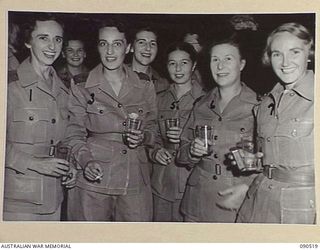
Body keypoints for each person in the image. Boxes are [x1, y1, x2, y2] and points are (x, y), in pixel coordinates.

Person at [65, 19, 157, 221]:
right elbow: (73, 132)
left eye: (117, 43)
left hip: (134, 179)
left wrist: (144, 137)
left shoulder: (144, 84)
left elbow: (154, 128)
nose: (110, 51)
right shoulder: (81, 85)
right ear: (97, 47)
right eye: (103, 43)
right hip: (93, 179)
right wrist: (85, 161)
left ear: (129, 47)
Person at [233, 23, 315, 224]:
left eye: (294, 52)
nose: (285, 62)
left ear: (309, 53)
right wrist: (251, 163)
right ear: (269, 58)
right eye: (277, 54)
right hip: (258, 202)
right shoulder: (265, 104)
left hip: (300, 212)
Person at [176, 34, 258, 222]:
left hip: (234, 201)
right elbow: (181, 154)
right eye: (215, 60)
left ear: (242, 64)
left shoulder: (258, 106)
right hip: (197, 202)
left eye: (228, 59)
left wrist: (247, 184)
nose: (220, 66)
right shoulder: (201, 105)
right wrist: (191, 150)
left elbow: (270, 162)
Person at [3, 14, 76, 221]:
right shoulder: (10, 86)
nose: (52, 46)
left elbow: (65, 139)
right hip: (18, 201)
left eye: (58, 39)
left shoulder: (63, 89)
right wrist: (35, 163)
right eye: (43, 38)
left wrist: (71, 165)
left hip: (54, 199)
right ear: (28, 41)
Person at [149, 42, 205, 222]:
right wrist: (155, 151)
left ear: (194, 65)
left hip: (192, 184)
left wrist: (187, 136)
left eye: (184, 63)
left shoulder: (206, 100)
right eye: (172, 63)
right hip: (161, 183)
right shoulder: (159, 99)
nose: (178, 68)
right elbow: (151, 135)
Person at [128, 26, 169, 94]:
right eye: (142, 42)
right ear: (131, 47)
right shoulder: (115, 75)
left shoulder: (162, 85)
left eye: (152, 44)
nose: (148, 48)